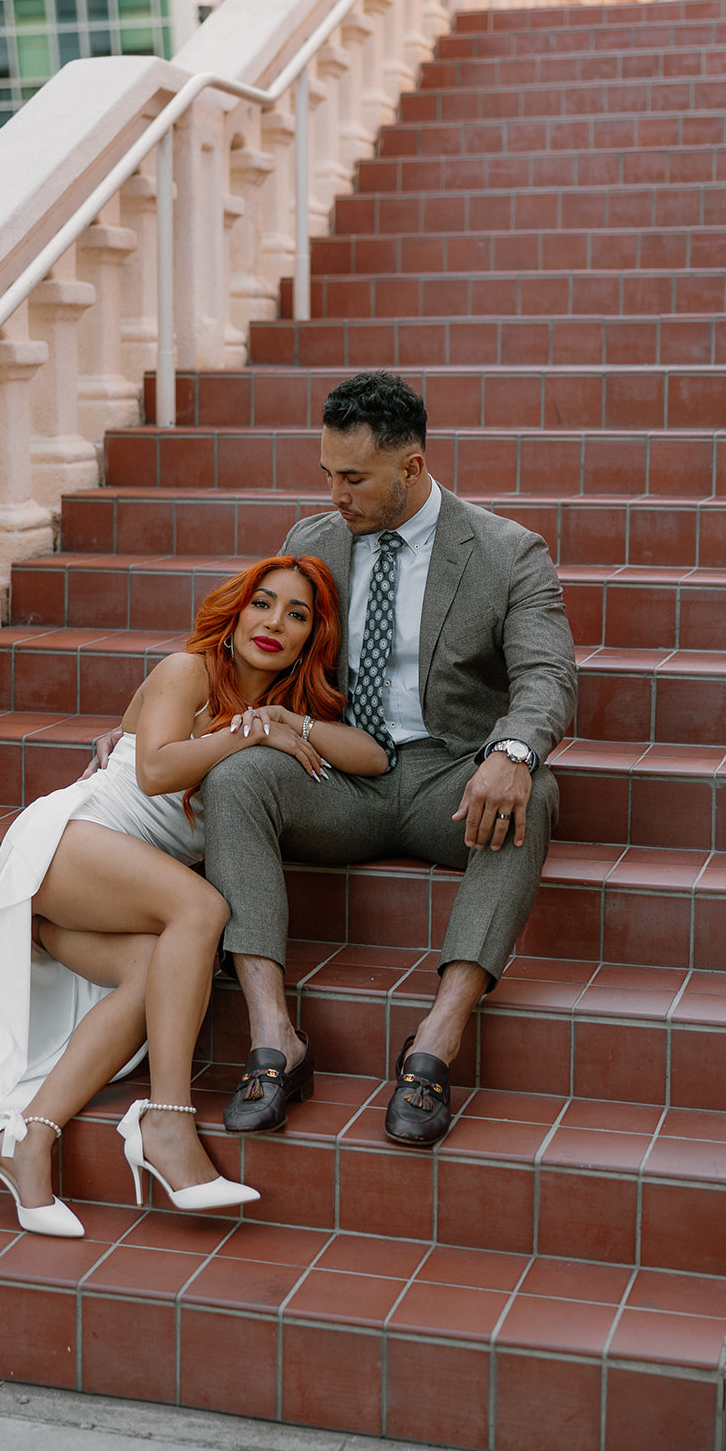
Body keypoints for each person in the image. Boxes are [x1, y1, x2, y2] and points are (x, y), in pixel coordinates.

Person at [0, 554, 386, 1235]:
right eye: (262, 604)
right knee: (203, 909)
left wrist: (278, 720)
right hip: (70, 841)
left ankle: (30, 1141)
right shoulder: (189, 670)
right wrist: (241, 735)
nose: (273, 623)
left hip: (115, 881)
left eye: (296, 615)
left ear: (311, 640)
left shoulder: (280, 712)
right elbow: (148, 769)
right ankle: (167, 1122)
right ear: (234, 612)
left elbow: (373, 759)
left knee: (149, 973)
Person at [198, 371, 578, 1147]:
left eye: (353, 478)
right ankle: (275, 1035)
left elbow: (546, 675)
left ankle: (437, 1037)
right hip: (337, 772)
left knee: (532, 792)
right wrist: (150, 724)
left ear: (410, 468)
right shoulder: (314, 542)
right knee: (234, 775)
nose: (334, 495)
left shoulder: (506, 552)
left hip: (451, 778)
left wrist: (509, 750)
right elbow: (252, 654)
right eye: (326, 475)